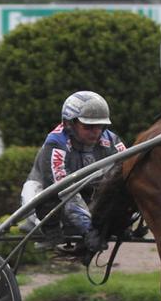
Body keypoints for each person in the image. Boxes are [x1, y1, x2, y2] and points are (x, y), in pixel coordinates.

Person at [20, 91, 126, 244]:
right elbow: (66, 191)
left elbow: (127, 177)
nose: (96, 132)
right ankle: (43, 226)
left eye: (100, 126)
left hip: (86, 192)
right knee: (49, 200)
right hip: (46, 192)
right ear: (70, 123)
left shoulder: (111, 140)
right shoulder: (55, 143)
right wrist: (89, 229)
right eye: (88, 126)